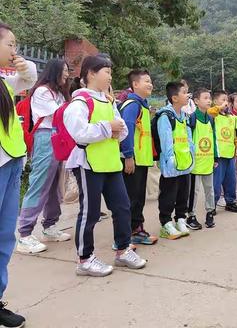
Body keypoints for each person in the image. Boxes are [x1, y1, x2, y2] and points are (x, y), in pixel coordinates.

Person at [64, 55, 146, 276]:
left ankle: (123, 249)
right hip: (89, 164)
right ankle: (85, 259)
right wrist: (107, 127)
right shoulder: (80, 102)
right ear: (91, 73)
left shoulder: (108, 101)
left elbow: (122, 130)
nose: (110, 76)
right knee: (89, 213)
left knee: (122, 207)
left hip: (110, 163)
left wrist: (113, 129)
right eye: (107, 72)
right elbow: (79, 133)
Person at [0, 23, 37, 328]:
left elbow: (28, 79)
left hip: (11, 163)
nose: (15, 51)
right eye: (10, 45)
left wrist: (27, 65)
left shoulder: (4, 80)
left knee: (3, 237)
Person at [17, 59, 72, 255]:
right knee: (39, 184)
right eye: (64, 71)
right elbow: (60, 114)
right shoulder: (41, 92)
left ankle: (50, 226)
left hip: (57, 139)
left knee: (54, 186)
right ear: (55, 71)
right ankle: (24, 234)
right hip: (45, 138)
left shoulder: (58, 93)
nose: (67, 74)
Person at [119, 70, 158, 245]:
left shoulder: (142, 105)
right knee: (131, 198)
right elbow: (126, 130)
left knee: (138, 198)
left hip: (141, 160)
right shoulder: (132, 104)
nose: (150, 84)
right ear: (135, 84)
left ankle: (137, 229)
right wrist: (128, 156)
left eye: (151, 81)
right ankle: (124, 236)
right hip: (132, 161)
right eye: (146, 81)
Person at [157, 82, 195, 239]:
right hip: (172, 165)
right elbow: (166, 141)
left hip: (185, 162)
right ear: (174, 98)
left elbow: (189, 139)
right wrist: (170, 161)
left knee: (183, 193)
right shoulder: (165, 116)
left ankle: (180, 218)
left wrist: (192, 156)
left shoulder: (184, 116)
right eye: (184, 92)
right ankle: (166, 223)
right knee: (169, 194)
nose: (188, 95)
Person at [186, 88, 217, 230]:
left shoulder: (211, 119)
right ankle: (190, 215)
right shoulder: (191, 118)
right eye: (205, 98)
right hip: (195, 163)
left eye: (209, 98)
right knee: (194, 191)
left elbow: (214, 138)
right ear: (196, 101)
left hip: (208, 161)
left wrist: (215, 156)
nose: (209, 100)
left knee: (210, 189)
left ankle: (210, 212)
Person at [208, 91, 237, 213]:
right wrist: (219, 108)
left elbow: (235, 135)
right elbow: (210, 112)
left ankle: (230, 201)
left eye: (226, 100)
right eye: (222, 100)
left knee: (231, 180)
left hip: (230, 154)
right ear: (215, 102)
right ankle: (212, 205)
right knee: (216, 183)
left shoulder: (231, 118)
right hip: (219, 155)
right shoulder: (213, 115)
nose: (225, 103)